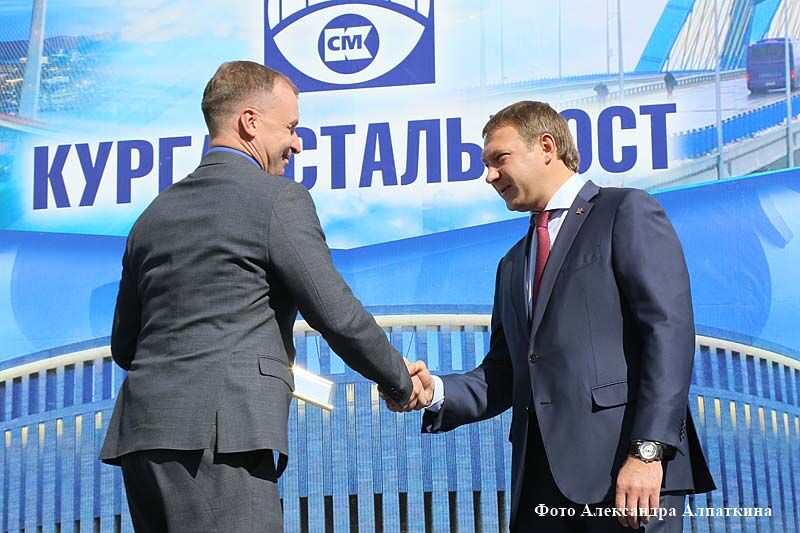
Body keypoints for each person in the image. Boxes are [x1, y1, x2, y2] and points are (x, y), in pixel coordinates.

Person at [100, 61, 428, 532]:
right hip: (221, 439)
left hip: (142, 440)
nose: (297, 143)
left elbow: (125, 347)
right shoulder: (277, 198)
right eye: (291, 127)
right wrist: (399, 380)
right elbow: (334, 312)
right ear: (250, 122)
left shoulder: (152, 216)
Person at [390, 101, 715, 531]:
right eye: (486, 165)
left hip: (626, 477)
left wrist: (648, 452)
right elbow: (505, 372)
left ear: (546, 147)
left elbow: (667, 333)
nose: (489, 176)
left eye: (499, 159)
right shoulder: (512, 263)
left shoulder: (624, 211)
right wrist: (434, 391)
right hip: (540, 491)